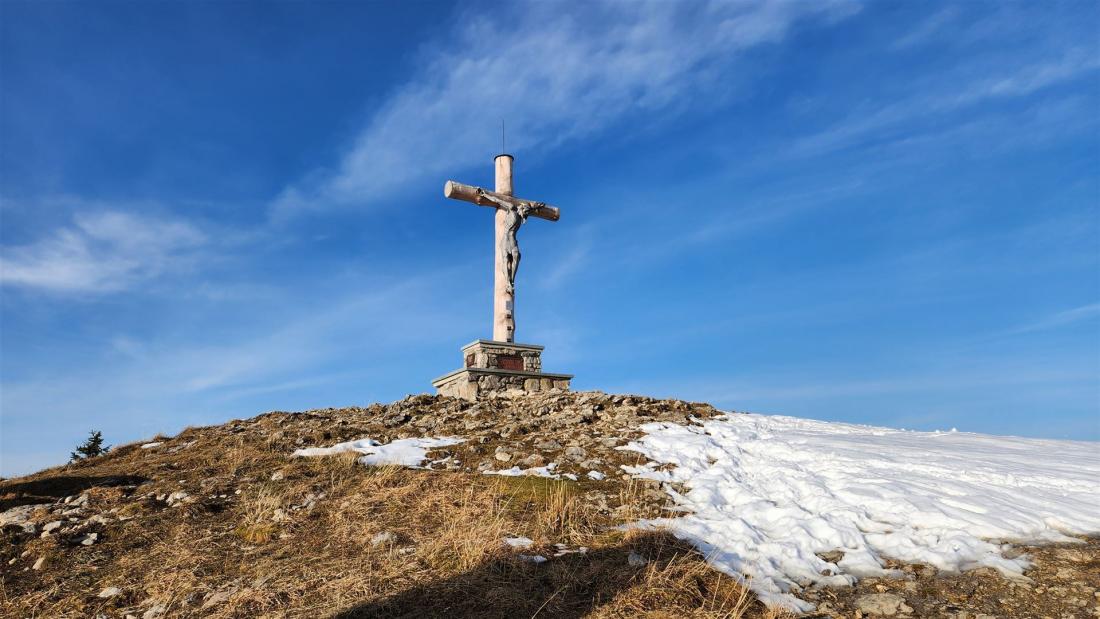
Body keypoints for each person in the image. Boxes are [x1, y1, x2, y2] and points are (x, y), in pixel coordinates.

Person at [477, 188, 543, 293]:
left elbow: (531, 208)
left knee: (517, 256)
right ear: (521, 208)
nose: (525, 214)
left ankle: (511, 280)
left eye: (526, 213)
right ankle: (508, 282)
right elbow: (497, 200)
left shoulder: (522, 215)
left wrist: (536, 207)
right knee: (506, 259)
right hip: (505, 239)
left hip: (513, 239)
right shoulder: (512, 208)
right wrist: (485, 195)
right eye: (525, 211)